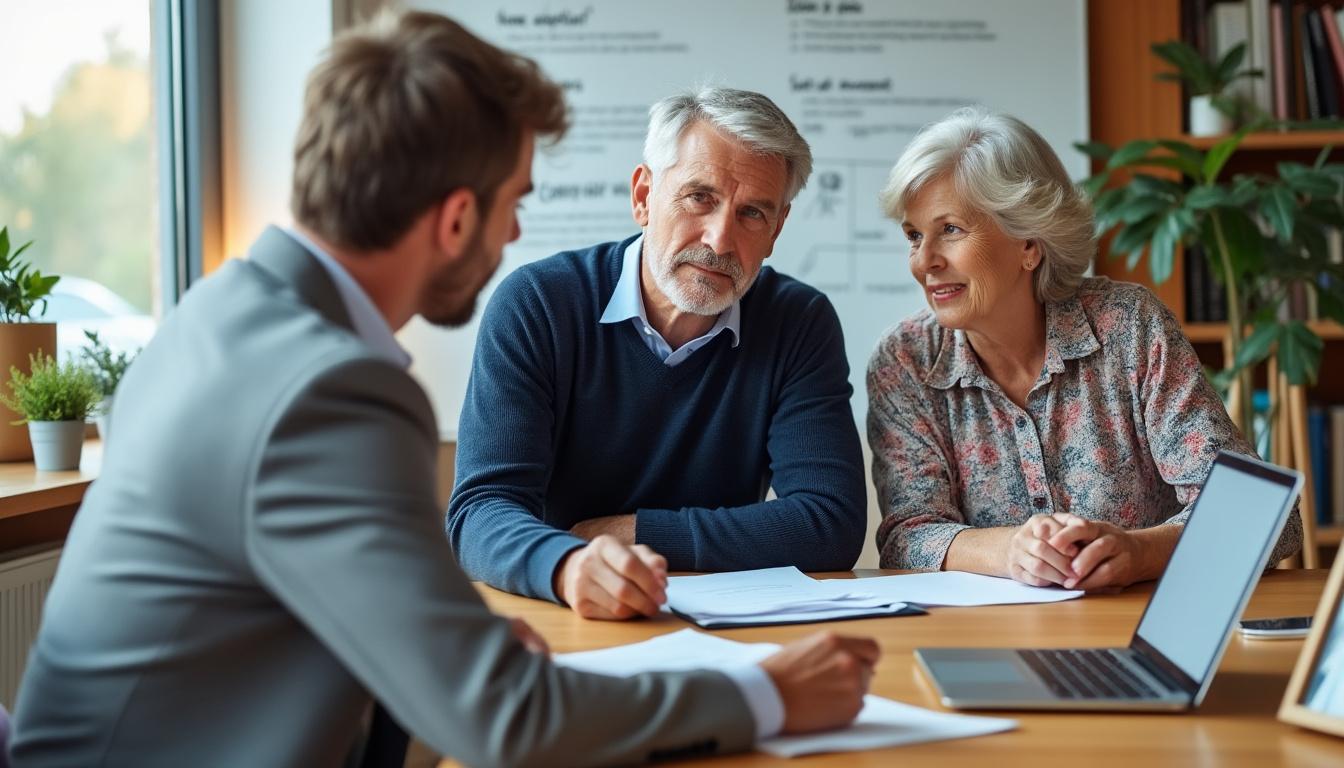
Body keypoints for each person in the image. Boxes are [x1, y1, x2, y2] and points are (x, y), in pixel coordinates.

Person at [7, 13, 879, 767]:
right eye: (515, 200)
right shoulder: (334, 387)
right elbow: (503, 715)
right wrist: (764, 697)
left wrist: (454, 643)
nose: (518, 230)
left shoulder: (220, 314)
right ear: (459, 216)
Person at [447, 86, 867, 620]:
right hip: (563, 614)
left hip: (728, 627)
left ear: (777, 229)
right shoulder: (539, 304)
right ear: (644, 196)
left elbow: (830, 522)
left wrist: (638, 532)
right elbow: (480, 513)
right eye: (700, 198)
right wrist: (570, 564)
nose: (718, 240)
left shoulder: (798, 321)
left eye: (752, 214)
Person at [866, 106, 1301, 590]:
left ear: (1028, 243)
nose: (924, 261)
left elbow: (1267, 518)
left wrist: (1139, 552)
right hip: (992, 641)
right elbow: (907, 537)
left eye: (950, 229)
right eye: (913, 236)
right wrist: (1011, 550)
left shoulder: (1129, 327)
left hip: (1143, 630)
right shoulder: (904, 360)